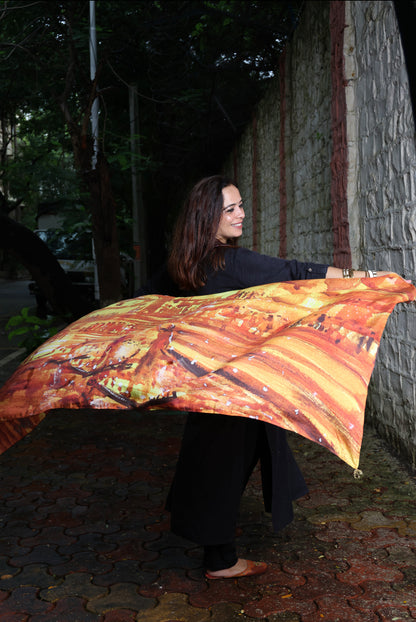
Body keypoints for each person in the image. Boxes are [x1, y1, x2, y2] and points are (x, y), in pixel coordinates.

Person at [152, 175, 390, 579]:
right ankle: (220, 560)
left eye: (240, 205)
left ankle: (217, 550)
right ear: (207, 216)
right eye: (230, 209)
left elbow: (149, 304)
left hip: (206, 388)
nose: (241, 213)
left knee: (214, 463)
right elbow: (297, 271)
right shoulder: (233, 262)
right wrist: (365, 279)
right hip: (235, 392)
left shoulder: (182, 266)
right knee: (224, 467)